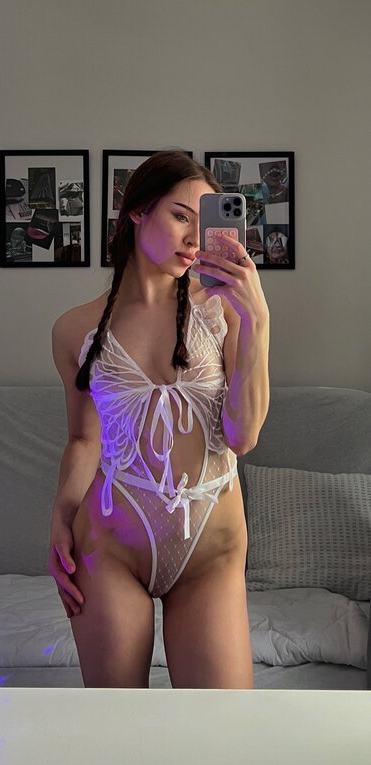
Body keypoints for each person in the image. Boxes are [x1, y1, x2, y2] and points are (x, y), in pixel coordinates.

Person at [49, 149, 270, 689]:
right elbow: (83, 439)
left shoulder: (223, 310)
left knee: (223, 731)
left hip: (211, 552)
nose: (194, 240)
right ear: (138, 211)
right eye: (180, 216)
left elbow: (242, 436)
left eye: (203, 222)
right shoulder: (75, 330)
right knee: (120, 728)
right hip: (110, 547)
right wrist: (61, 514)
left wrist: (258, 321)